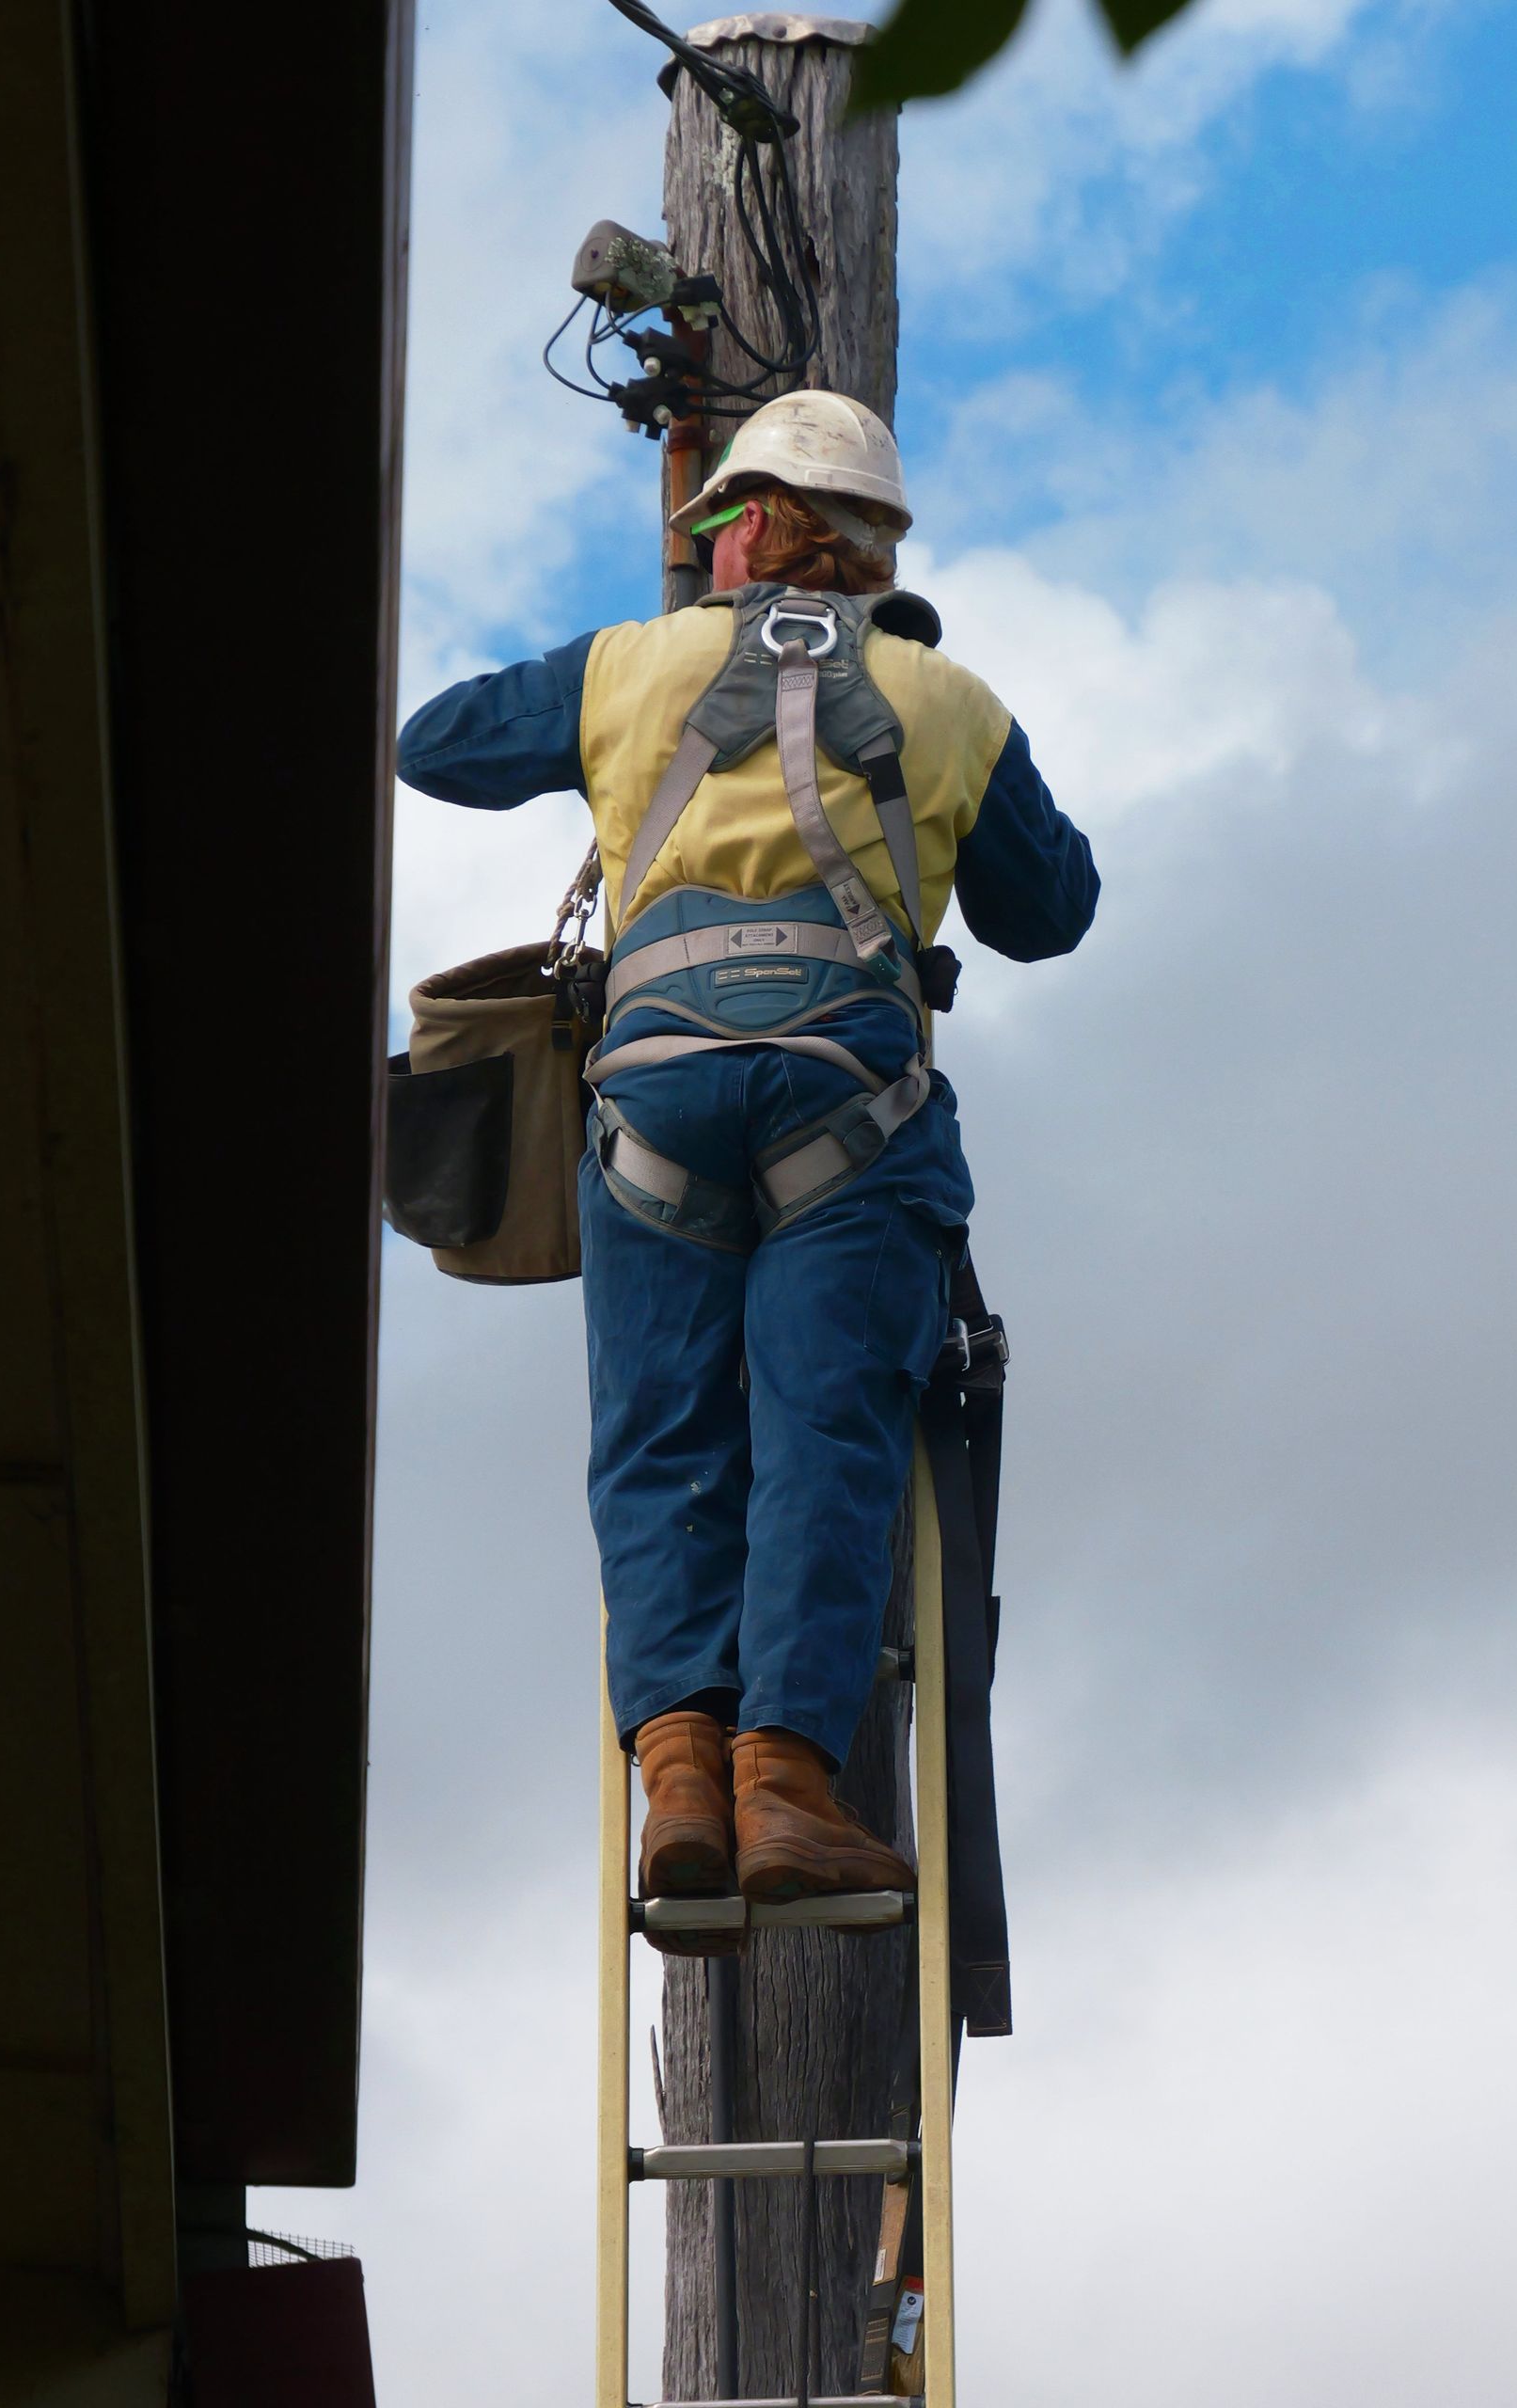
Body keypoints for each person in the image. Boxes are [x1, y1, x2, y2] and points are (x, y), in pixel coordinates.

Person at [397, 390, 1098, 1925]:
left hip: (653, 1107)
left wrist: (639, 682)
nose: (701, 545)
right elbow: (1052, 911)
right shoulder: (950, 699)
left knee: (659, 1440)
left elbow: (432, 747)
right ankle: (786, 1786)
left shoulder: (630, 670)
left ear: (759, 526)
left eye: (717, 522)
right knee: (826, 1435)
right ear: (868, 549)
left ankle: (678, 1782)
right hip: (853, 1110)